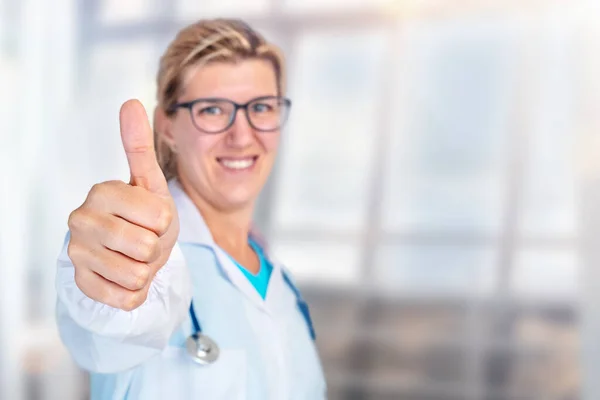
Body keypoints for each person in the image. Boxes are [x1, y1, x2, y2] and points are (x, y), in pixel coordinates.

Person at [55, 18, 326, 400]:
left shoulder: (284, 286)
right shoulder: (147, 253)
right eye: (213, 110)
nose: (242, 135)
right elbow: (110, 323)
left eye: (262, 107)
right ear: (167, 127)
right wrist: (116, 275)